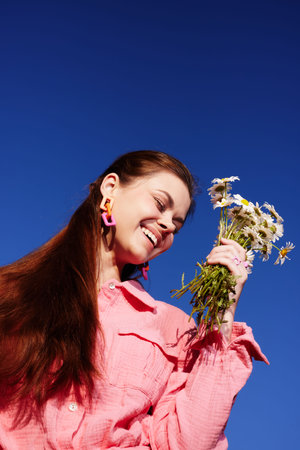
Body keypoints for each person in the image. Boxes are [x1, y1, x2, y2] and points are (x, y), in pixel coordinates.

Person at [0, 150, 268, 449]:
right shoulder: (10, 292)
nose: (167, 224)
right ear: (111, 188)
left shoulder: (174, 329)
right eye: (159, 203)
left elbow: (186, 442)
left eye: (176, 225)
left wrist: (223, 314)